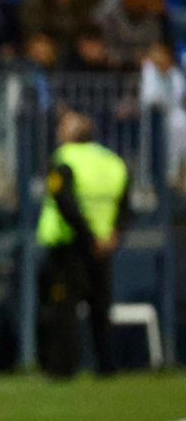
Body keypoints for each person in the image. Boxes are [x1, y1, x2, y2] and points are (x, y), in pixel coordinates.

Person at [36, 110, 133, 378]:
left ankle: (63, 367)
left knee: (63, 307)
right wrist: (112, 235)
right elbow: (125, 205)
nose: (59, 129)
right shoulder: (112, 161)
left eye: (65, 124)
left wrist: (88, 237)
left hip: (69, 245)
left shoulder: (65, 159)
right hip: (104, 246)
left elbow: (65, 202)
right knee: (100, 308)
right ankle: (106, 365)